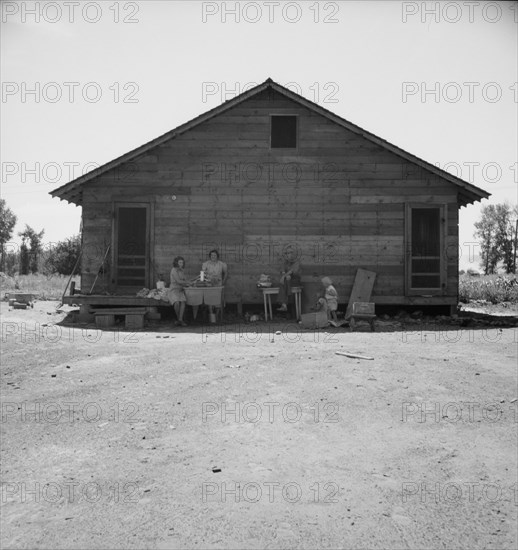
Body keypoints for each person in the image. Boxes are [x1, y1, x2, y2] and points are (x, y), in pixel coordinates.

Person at [201, 249, 227, 316]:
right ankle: (211, 315)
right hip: (209, 285)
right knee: (210, 300)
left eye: (214, 255)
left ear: (217, 256)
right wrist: (203, 281)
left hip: (218, 285)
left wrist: (223, 282)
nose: (213, 256)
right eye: (212, 255)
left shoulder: (221, 264)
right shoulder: (206, 264)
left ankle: (217, 316)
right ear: (210, 256)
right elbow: (202, 274)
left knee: (218, 300)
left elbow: (226, 273)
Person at [277, 248, 302, 312]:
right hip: (287, 281)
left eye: (290, 253)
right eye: (287, 253)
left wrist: (284, 277)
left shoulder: (297, 262)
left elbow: (293, 271)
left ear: (294, 254)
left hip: (295, 281)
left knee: (285, 279)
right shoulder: (285, 262)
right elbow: (282, 270)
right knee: (286, 280)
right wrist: (284, 275)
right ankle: (285, 303)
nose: (289, 255)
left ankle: (284, 303)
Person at [169, 256, 191, 326]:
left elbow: (184, 280)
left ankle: (180, 320)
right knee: (177, 303)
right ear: (176, 263)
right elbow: (178, 281)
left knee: (183, 302)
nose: (181, 264)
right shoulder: (173, 270)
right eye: (179, 262)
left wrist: (189, 282)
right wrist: (188, 282)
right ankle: (179, 319)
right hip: (173, 290)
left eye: (182, 262)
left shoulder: (182, 270)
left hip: (180, 290)